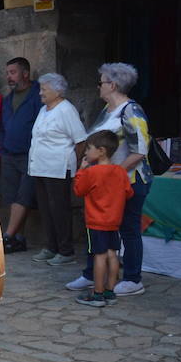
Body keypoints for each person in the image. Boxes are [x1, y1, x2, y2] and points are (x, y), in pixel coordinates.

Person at [67, 63, 153, 297]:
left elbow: (140, 150)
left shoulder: (132, 111)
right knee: (97, 228)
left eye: (101, 82)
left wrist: (112, 175)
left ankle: (133, 278)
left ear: (112, 85)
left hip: (130, 181)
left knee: (128, 229)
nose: (99, 86)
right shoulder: (107, 109)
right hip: (106, 183)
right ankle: (91, 273)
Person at [28, 72, 87, 266]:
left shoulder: (66, 109)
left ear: (57, 90)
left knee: (59, 209)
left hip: (58, 168)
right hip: (40, 167)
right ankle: (51, 246)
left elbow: (80, 141)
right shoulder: (44, 109)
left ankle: (66, 250)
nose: (40, 93)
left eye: (44, 89)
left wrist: (75, 163)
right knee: (46, 209)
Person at [73, 130, 132, 307]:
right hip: (114, 221)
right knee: (112, 255)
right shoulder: (120, 171)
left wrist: (81, 170)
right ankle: (109, 291)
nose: (86, 152)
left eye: (89, 148)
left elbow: (78, 190)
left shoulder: (92, 172)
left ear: (101, 150)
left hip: (96, 221)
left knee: (98, 256)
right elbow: (129, 192)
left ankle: (97, 294)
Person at [0, 57, 42, 253]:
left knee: (23, 197)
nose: (9, 77)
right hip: (9, 154)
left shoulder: (38, 95)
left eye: (13, 72)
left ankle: (7, 236)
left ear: (25, 73)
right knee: (11, 196)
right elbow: (3, 127)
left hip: (29, 155)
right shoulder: (7, 100)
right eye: (7, 73)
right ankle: (19, 238)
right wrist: (3, 149)